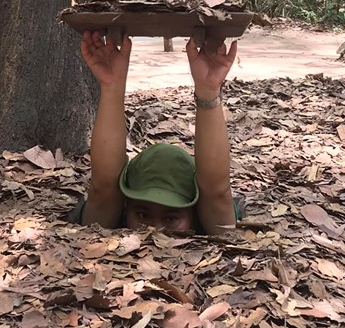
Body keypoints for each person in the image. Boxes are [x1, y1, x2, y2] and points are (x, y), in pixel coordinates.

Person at [74, 29, 242, 234]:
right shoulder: (109, 221)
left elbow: (216, 192)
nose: (155, 230)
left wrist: (209, 91)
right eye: (142, 215)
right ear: (125, 210)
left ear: (195, 216)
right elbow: (104, 187)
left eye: (172, 218)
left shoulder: (211, 225)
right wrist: (111, 87)